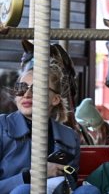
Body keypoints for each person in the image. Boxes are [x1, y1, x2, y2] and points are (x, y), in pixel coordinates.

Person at [0, 66, 100, 194]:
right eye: (21, 88)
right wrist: (31, 176)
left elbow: (71, 182)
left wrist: (64, 177)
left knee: (89, 191)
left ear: (55, 99)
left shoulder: (70, 136)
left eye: (37, 89)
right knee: (23, 191)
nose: (26, 94)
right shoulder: (2, 126)